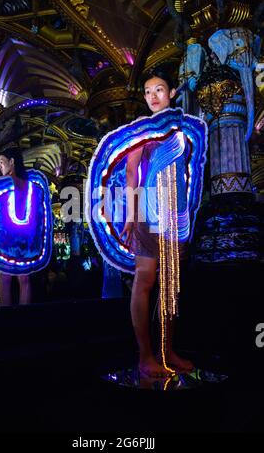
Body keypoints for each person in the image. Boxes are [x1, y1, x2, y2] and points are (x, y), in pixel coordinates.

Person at [120, 67, 194, 377]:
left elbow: (191, 171)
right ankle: (145, 356)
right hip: (149, 213)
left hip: (177, 214)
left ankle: (168, 350)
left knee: (171, 286)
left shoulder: (183, 127)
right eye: (148, 91)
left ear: (172, 93)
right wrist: (132, 212)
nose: (153, 95)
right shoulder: (141, 129)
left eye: (159, 89)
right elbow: (131, 172)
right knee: (145, 279)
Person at [0, 147, 31, 306]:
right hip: (24, 234)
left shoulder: (5, 182)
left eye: (2, 162)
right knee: (24, 279)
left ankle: (5, 322)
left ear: (12, 162)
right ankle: (25, 318)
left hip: (7, 235)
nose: (0, 166)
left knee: (4, 279)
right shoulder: (27, 184)